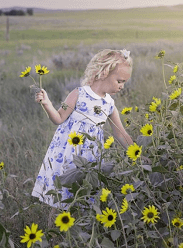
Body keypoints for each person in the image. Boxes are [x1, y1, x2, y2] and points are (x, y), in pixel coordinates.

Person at [31, 49, 134, 209]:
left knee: (85, 191)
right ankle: (57, 221)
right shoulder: (78, 94)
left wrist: (137, 154)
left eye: (124, 83)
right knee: (63, 188)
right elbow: (58, 118)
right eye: (120, 81)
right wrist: (47, 103)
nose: (122, 86)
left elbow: (120, 133)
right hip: (66, 153)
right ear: (104, 73)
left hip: (90, 157)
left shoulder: (109, 104)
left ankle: (82, 218)